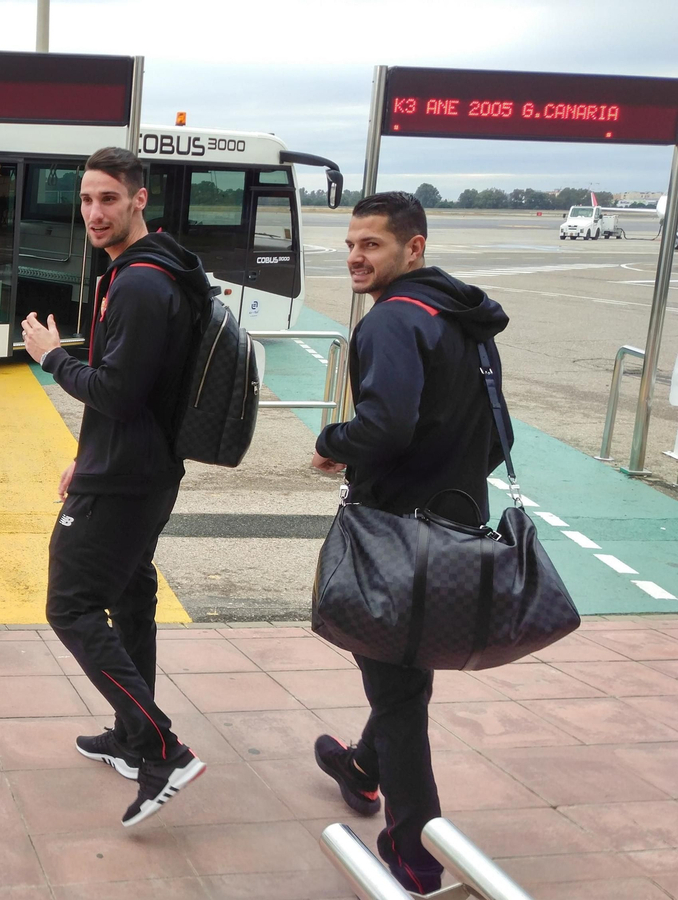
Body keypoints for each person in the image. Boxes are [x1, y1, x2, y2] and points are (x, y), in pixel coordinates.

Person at [310, 191, 512, 894]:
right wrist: (449, 482)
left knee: (397, 691)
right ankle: (361, 769)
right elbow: (499, 433)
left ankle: (415, 854)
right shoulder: (464, 318)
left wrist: (332, 441)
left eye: (372, 245)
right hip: (457, 527)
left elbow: (386, 425)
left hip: (394, 536)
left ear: (413, 247)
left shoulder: (393, 320)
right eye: (350, 244)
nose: (355, 257)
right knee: (404, 671)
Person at [20, 146, 207, 827]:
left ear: (138, 200)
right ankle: (132, 737)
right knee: (130, 597)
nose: (94, 212)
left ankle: (161, 750)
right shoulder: (155, 269)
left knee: (70, 606)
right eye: (86, 199)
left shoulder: (139, 284)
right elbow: (138, 393)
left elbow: (119, 393)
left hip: (125, 479)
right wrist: (86, 452)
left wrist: (53, 359)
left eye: (108, 199)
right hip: (141, 467)